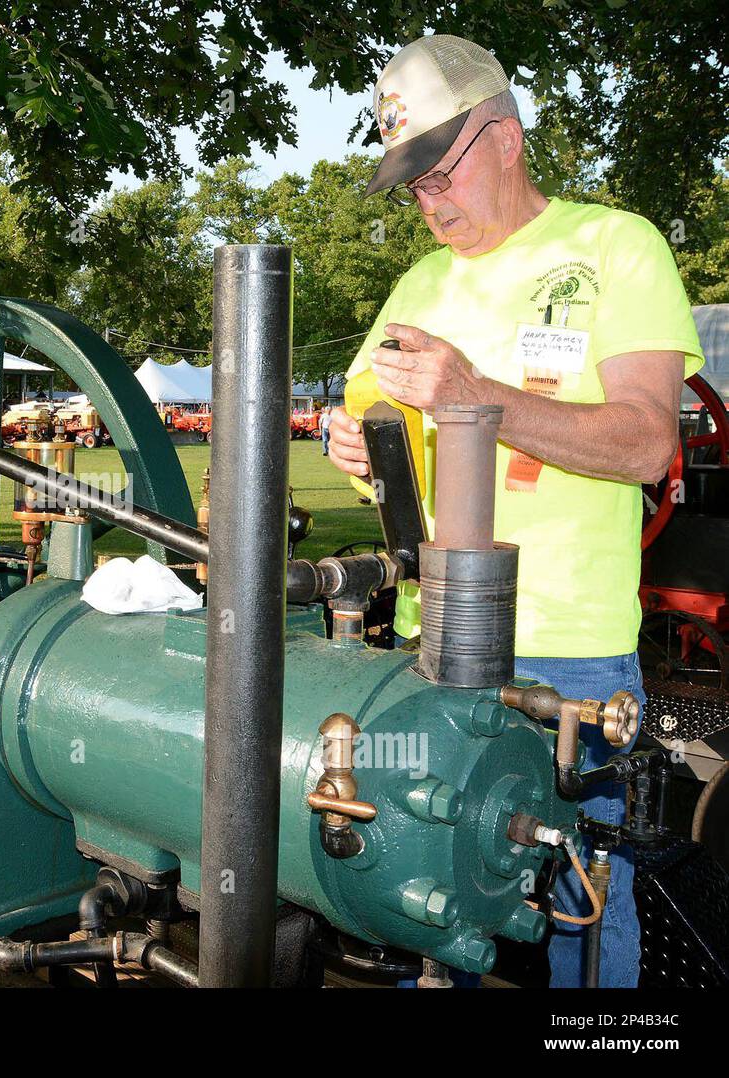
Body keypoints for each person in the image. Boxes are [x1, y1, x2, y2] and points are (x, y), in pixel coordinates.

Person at [327, 34, 705, 987]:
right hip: (432, 643)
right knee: (432, 892)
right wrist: (358, 452)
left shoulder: (613, 245)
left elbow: (645, 443)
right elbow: (379, 438)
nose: (430, 202)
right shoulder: (417, 287)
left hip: (568, 651)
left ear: (504, 135)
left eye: (441, 173)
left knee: (585, 903)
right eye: (411, 186)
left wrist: (476, 394)